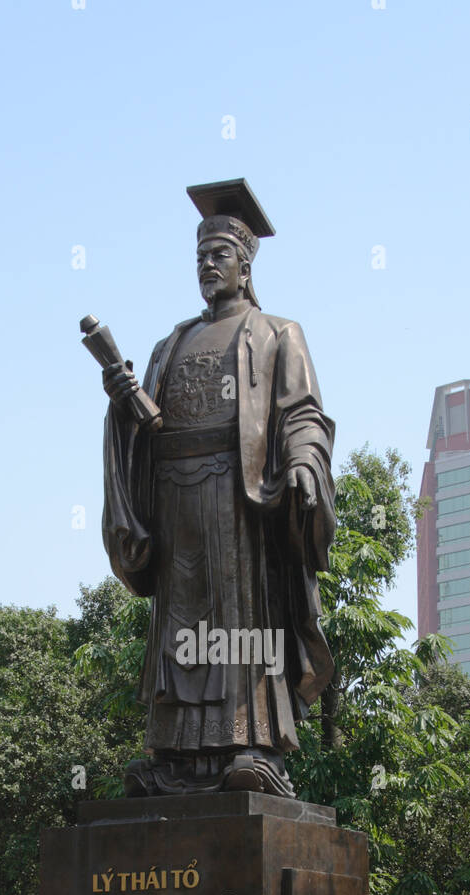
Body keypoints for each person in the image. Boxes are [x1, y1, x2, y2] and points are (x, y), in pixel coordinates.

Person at [101, 179, 335, 798]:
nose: (207, 266)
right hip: (176, 500)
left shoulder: (278, 333)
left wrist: (304, 464)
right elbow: (141, 429)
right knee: (179, 634)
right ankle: (175, 758)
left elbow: (303, 413)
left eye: (219, 256)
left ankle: (247, 745)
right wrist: (124, 408)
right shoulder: (169, 343)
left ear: (246, 263)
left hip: (239, 503)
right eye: (199, 257)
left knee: (239, 629)